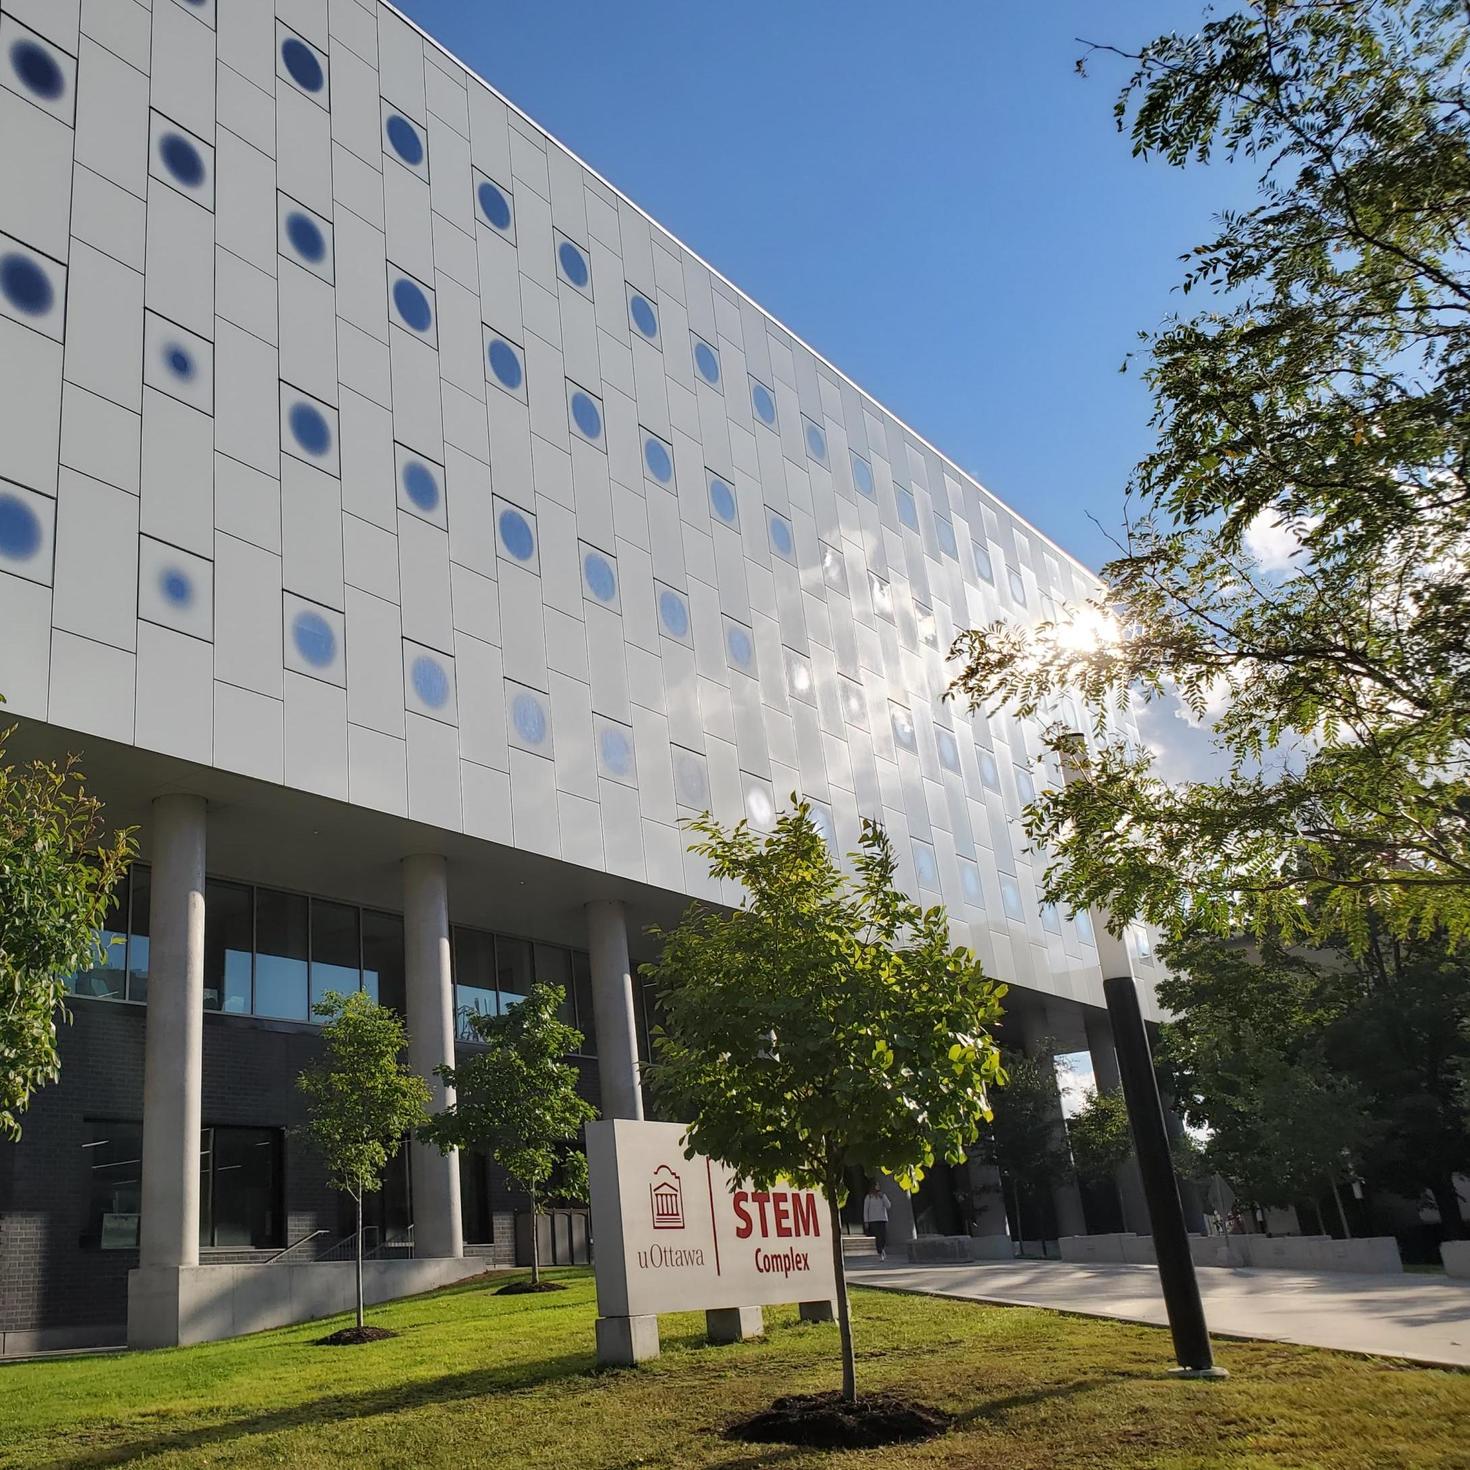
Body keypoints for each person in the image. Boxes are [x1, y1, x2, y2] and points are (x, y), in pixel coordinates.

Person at [862, 1180, 892, 1261]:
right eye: (876, 1185)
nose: (877, 1187)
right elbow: (865, 1210)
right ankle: (880, 1252)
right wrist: (866, 1221)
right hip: (873, 1220)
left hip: (882, 1219)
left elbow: (888, 1205)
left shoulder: (882, 1196)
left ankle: (883, 1249)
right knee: (878, 1237)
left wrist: (883, 1197)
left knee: (883, 1236)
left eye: (878, 1186)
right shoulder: (869, 1197)